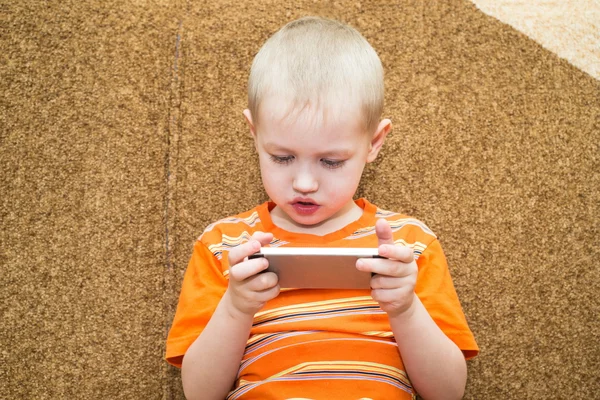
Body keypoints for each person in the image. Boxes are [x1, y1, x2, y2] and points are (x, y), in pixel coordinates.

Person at [165, 16, 479, 400]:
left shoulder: (408, 245)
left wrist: (404, 308)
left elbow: (447, 392)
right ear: (254, 134)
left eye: (331, 162)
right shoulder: (226, 245)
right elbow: (200, 394)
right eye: (281, 157)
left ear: (374, 143)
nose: (304, 183)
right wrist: (237, 306)